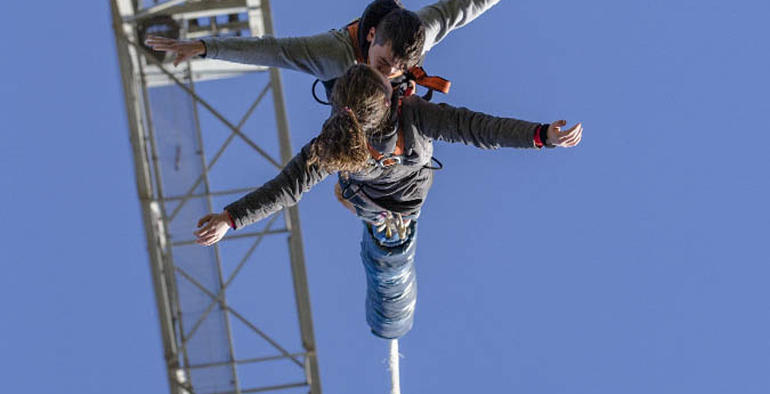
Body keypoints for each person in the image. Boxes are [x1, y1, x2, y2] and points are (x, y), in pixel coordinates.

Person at [194, 65, 583, 339]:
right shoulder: (376, 128)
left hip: (400, 196)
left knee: (370, 203)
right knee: (367, 208)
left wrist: (229, 220)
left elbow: (478, 128)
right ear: (387, 105)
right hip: (373, 199)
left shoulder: (397, 117)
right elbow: (287, 187)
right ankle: (361, 205)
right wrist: (541, 135)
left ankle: (362, 203)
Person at [145, 0, 499, 86]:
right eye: (384, 63)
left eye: (397, 68)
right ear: (372, 36)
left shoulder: (422, 35)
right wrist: (206, 46)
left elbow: (465, 7)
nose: (388, 73)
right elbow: (272, 50)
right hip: (349, 95)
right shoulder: (333, 54)